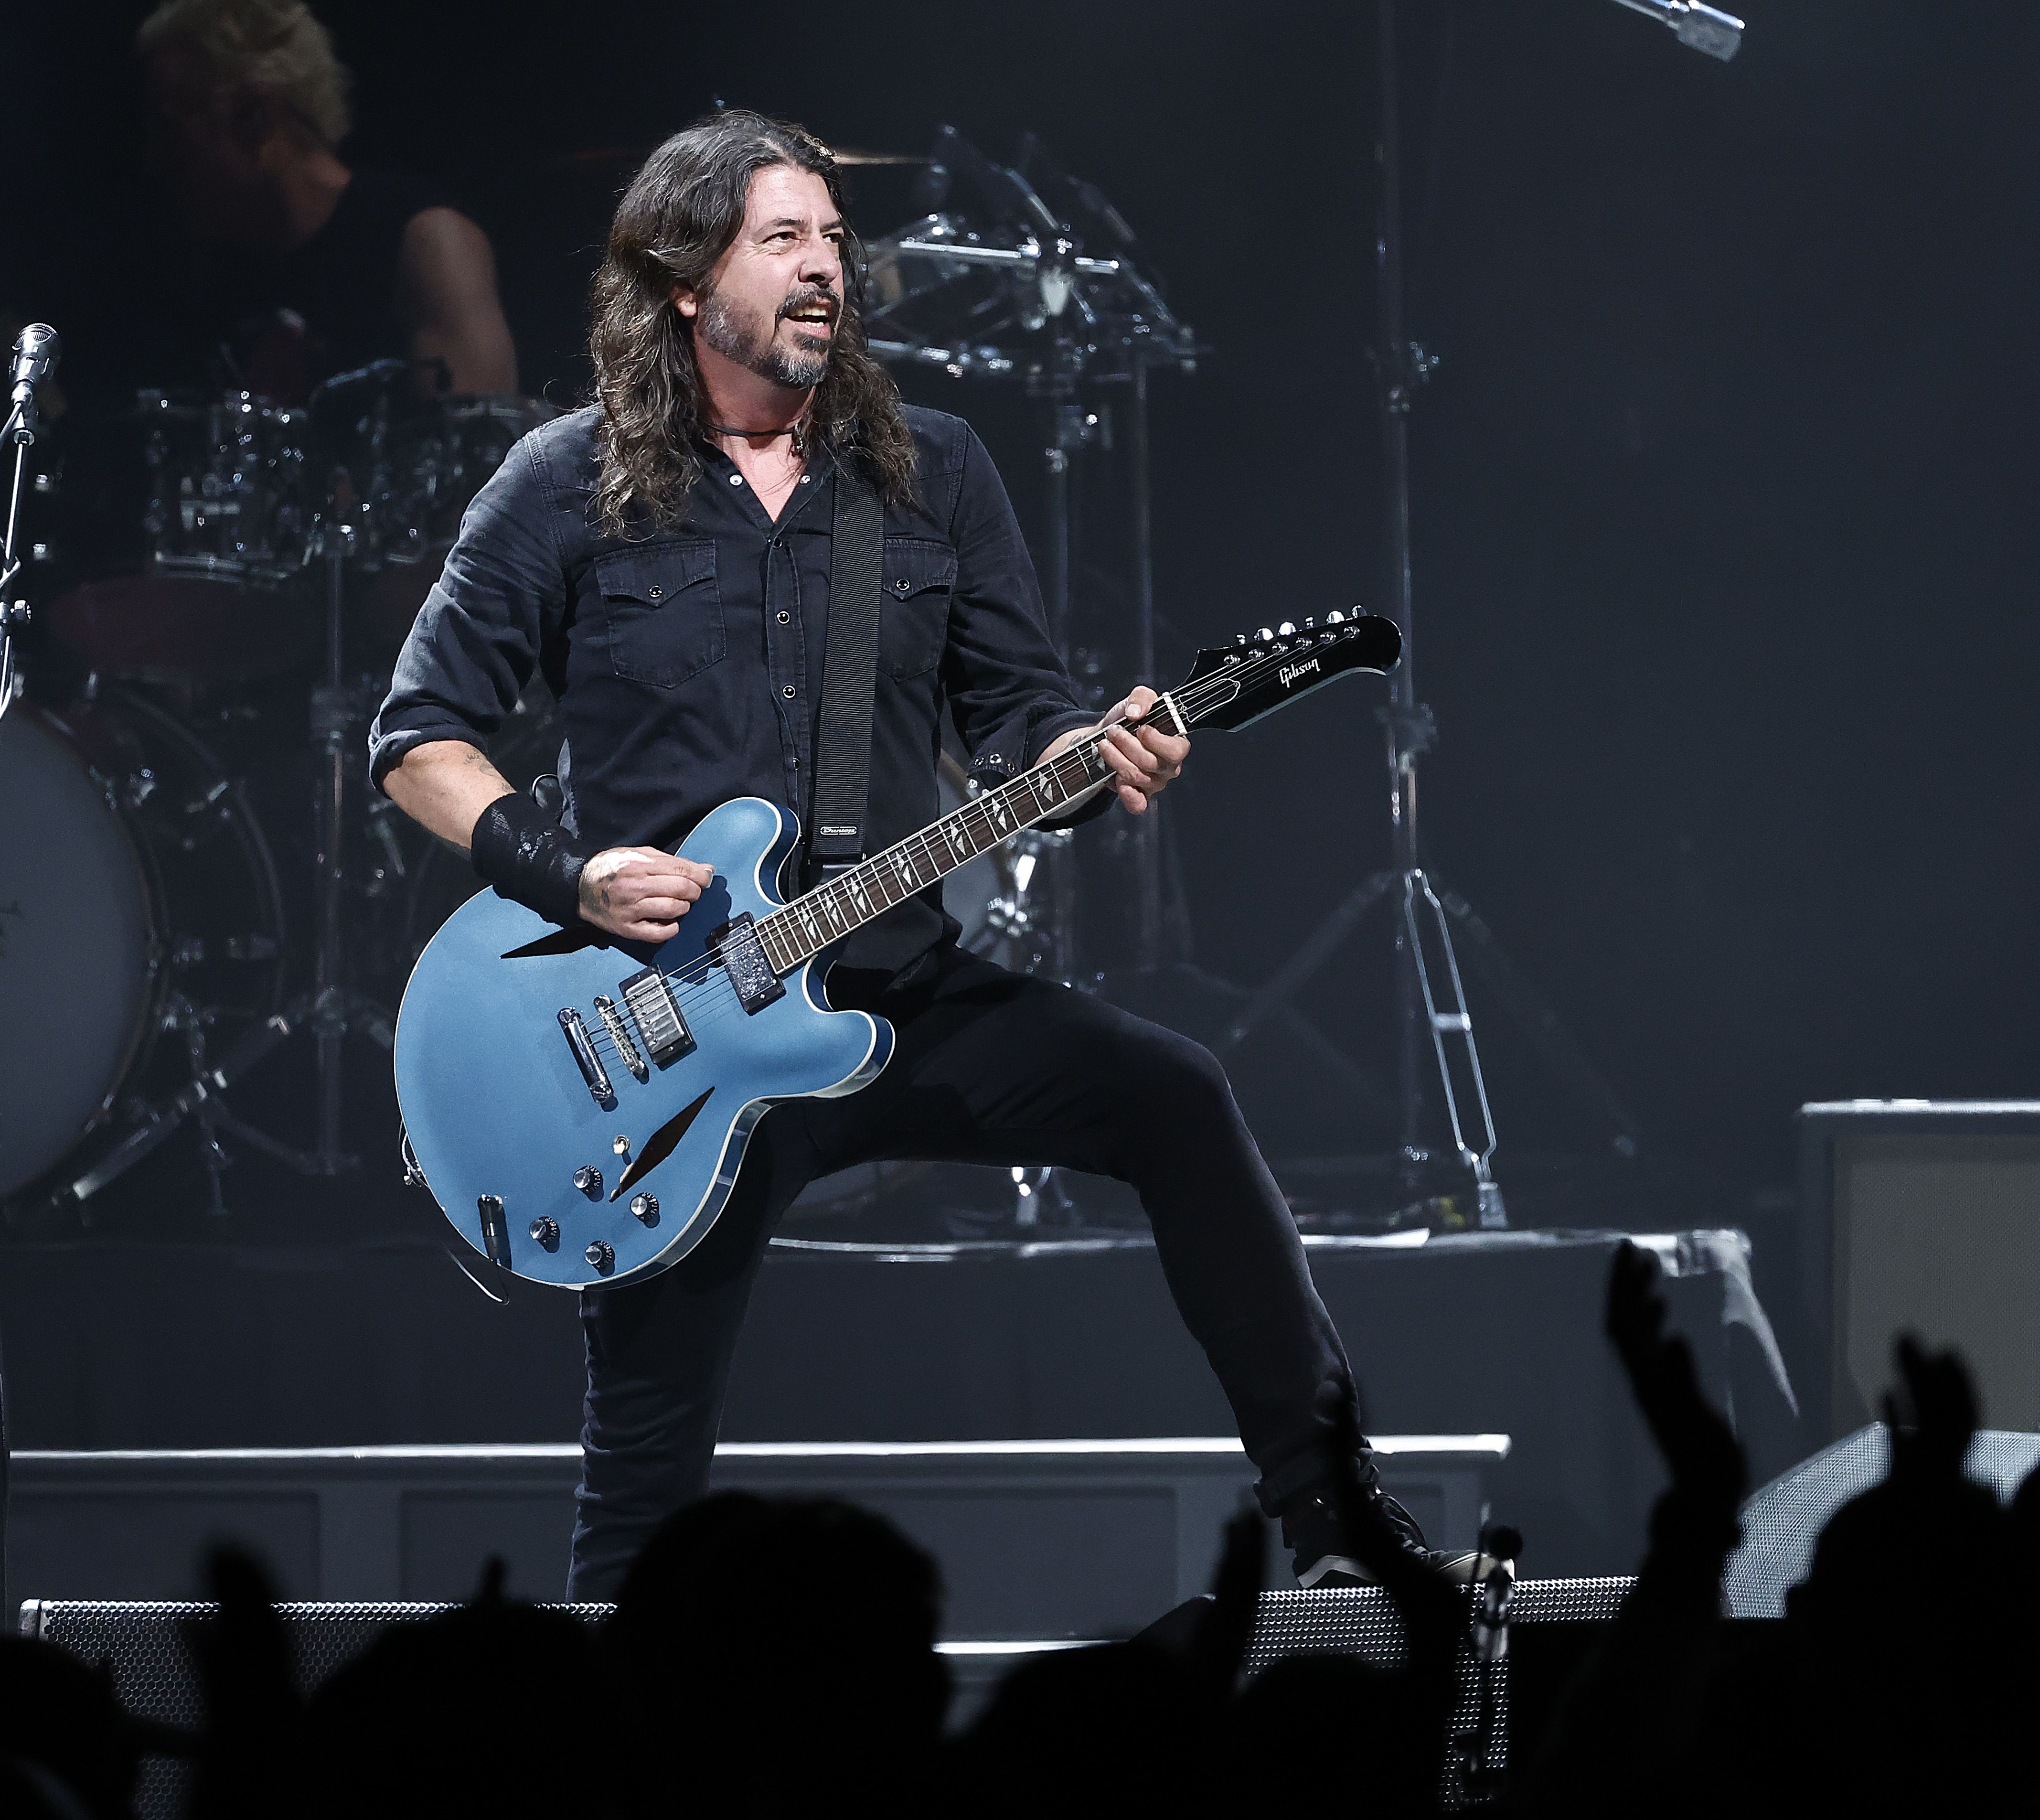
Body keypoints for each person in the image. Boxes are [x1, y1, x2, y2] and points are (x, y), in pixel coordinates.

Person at [369, 110, 1455, 1598]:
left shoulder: (929, 472)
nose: (824, 268)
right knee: (639, 1487)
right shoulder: (562, 483)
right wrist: (567, 874)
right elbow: (416, 736)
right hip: (666, 1050)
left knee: (1174, 1094)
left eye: (832, 240)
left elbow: (1016, 727)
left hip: (890, 992)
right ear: (686, 279)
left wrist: (1087, 759)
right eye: (781, 240)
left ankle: (1335, 1522)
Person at [135, 0, 516, 400]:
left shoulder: (425, 243)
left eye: (171, 132)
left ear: (253, 115)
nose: (153, 163)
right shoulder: (210, 273)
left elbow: (476, 451)